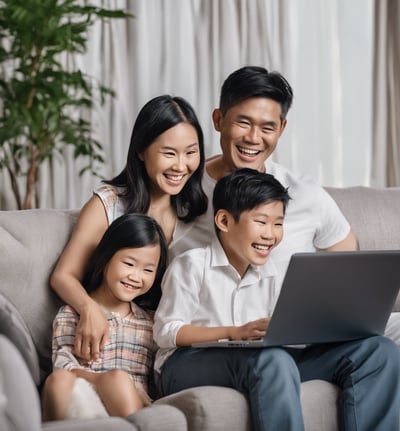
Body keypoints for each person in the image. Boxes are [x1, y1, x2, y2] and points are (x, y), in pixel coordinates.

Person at [153, 168, 400, 431]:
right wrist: (234, 333)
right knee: (273, 359)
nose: (271, 235)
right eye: (261, 222)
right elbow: (166, 332)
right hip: (187, 363)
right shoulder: (191, 264)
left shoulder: (276, 272)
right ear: (224, 221)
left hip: (264, 359)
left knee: (378, 350)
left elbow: (281, 333)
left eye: (278, 223)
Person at [50, 95, 208, 362]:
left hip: (172, 343)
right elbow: (63, 276)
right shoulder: (108, 204)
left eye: (191, 152)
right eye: (169, 153)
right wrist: (89, 310)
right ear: (141, 151)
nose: (181, 166)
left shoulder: (198, 215)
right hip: (116, 341)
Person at [187, 65, 358, 281]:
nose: (253, 138)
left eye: (267, 128)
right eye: (243, 122)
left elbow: (347, 255)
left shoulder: (304, 193)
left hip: (293, 314)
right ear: (218, 120)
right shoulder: (183, 187)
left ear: (281, 128)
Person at [42, 213, 168, 420]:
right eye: (129, 264)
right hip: (84, 400)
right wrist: (101, 380)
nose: (136, 276)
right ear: (106, 258)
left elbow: (158, 378)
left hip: (129, 404)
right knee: (59, 380)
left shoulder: (151, 323)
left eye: (148, 269)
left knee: (118, 381)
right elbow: (62, 365)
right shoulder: (72, 314)